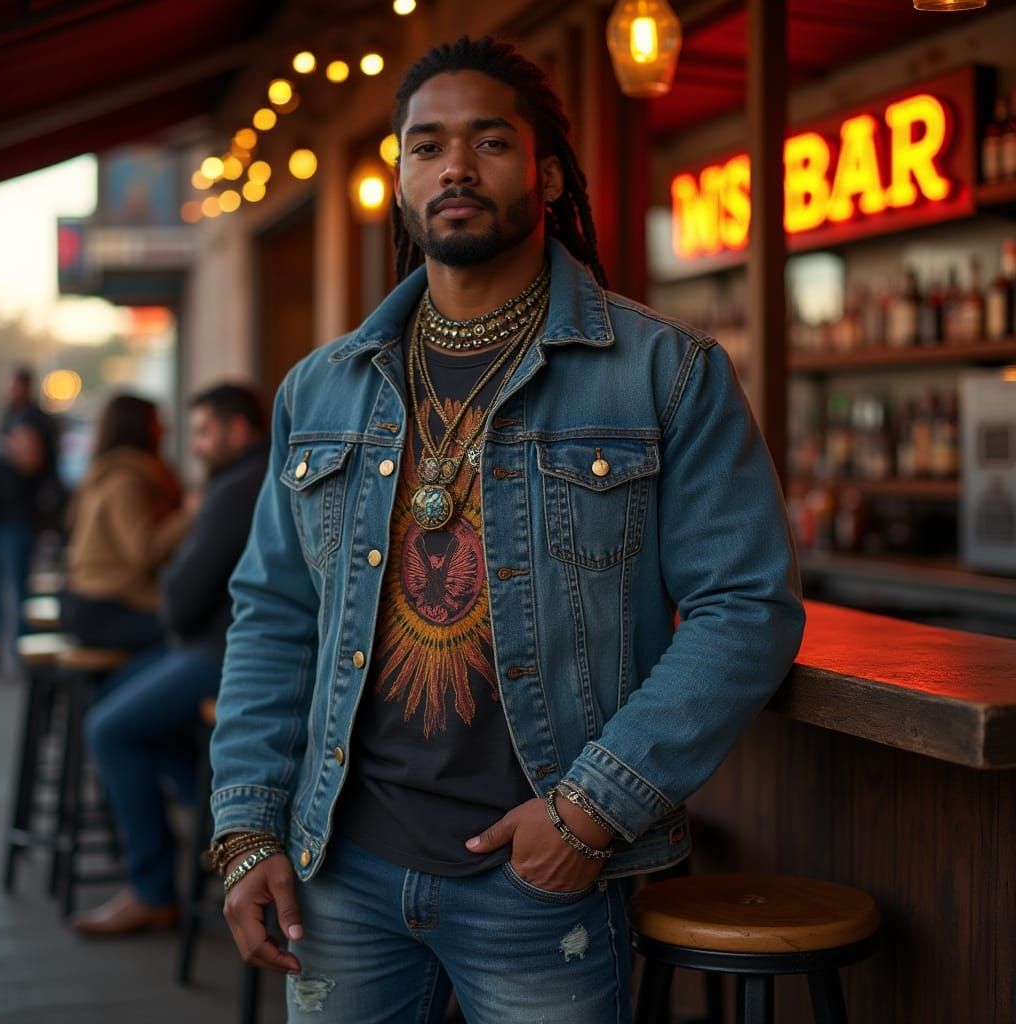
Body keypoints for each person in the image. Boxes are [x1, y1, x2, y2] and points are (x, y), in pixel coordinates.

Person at [209, 36, 806, 1024]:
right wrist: (246, 829)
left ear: (549, 174)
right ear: (401, 180)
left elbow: (746, 606)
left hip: (540, 875)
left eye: (488, 142)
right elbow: (273, 614)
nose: (454, 167)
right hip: (340, 867)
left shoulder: (664, 373)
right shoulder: (322, 389)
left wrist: (591, 810)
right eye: (426, 146)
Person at [70, 383, 268, 935]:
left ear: (235, 429)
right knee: (117, 705)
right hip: (221, 646)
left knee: (109, 729)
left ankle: (154, 889)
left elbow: (181, 600)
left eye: (203, 432)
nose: (194, 445)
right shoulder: (253, 478)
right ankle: (213, 824)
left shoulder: (237, 487)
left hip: (229, 653)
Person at [61, 394, 188, 652]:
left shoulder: (103, 472)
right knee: (192, 633)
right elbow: (144, 551)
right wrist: (190, 514)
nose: (165, 429)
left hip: (87, 601)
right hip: (107, 607)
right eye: (157, 421)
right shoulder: (125, 481)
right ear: (140, 427)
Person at [0, 366, 60, 659]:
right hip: (1, 516)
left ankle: (25, 656)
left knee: (19, 590)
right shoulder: (11, 416)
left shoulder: (31, 418)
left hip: (17, 517)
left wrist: (2, 437)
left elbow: (31, 460)